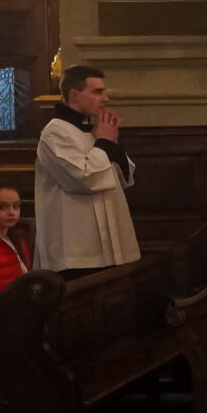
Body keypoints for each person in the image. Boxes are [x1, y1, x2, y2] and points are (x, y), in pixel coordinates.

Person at [35, 65, 139, 277]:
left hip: (111, 243)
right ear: (74, 95)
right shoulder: (55, 132)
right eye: (97, 91)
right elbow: (83, 178)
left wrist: (112, 143)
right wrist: (104, 143)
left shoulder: (95, 130)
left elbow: (123, 178)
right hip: (75, 250)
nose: (105, 98)